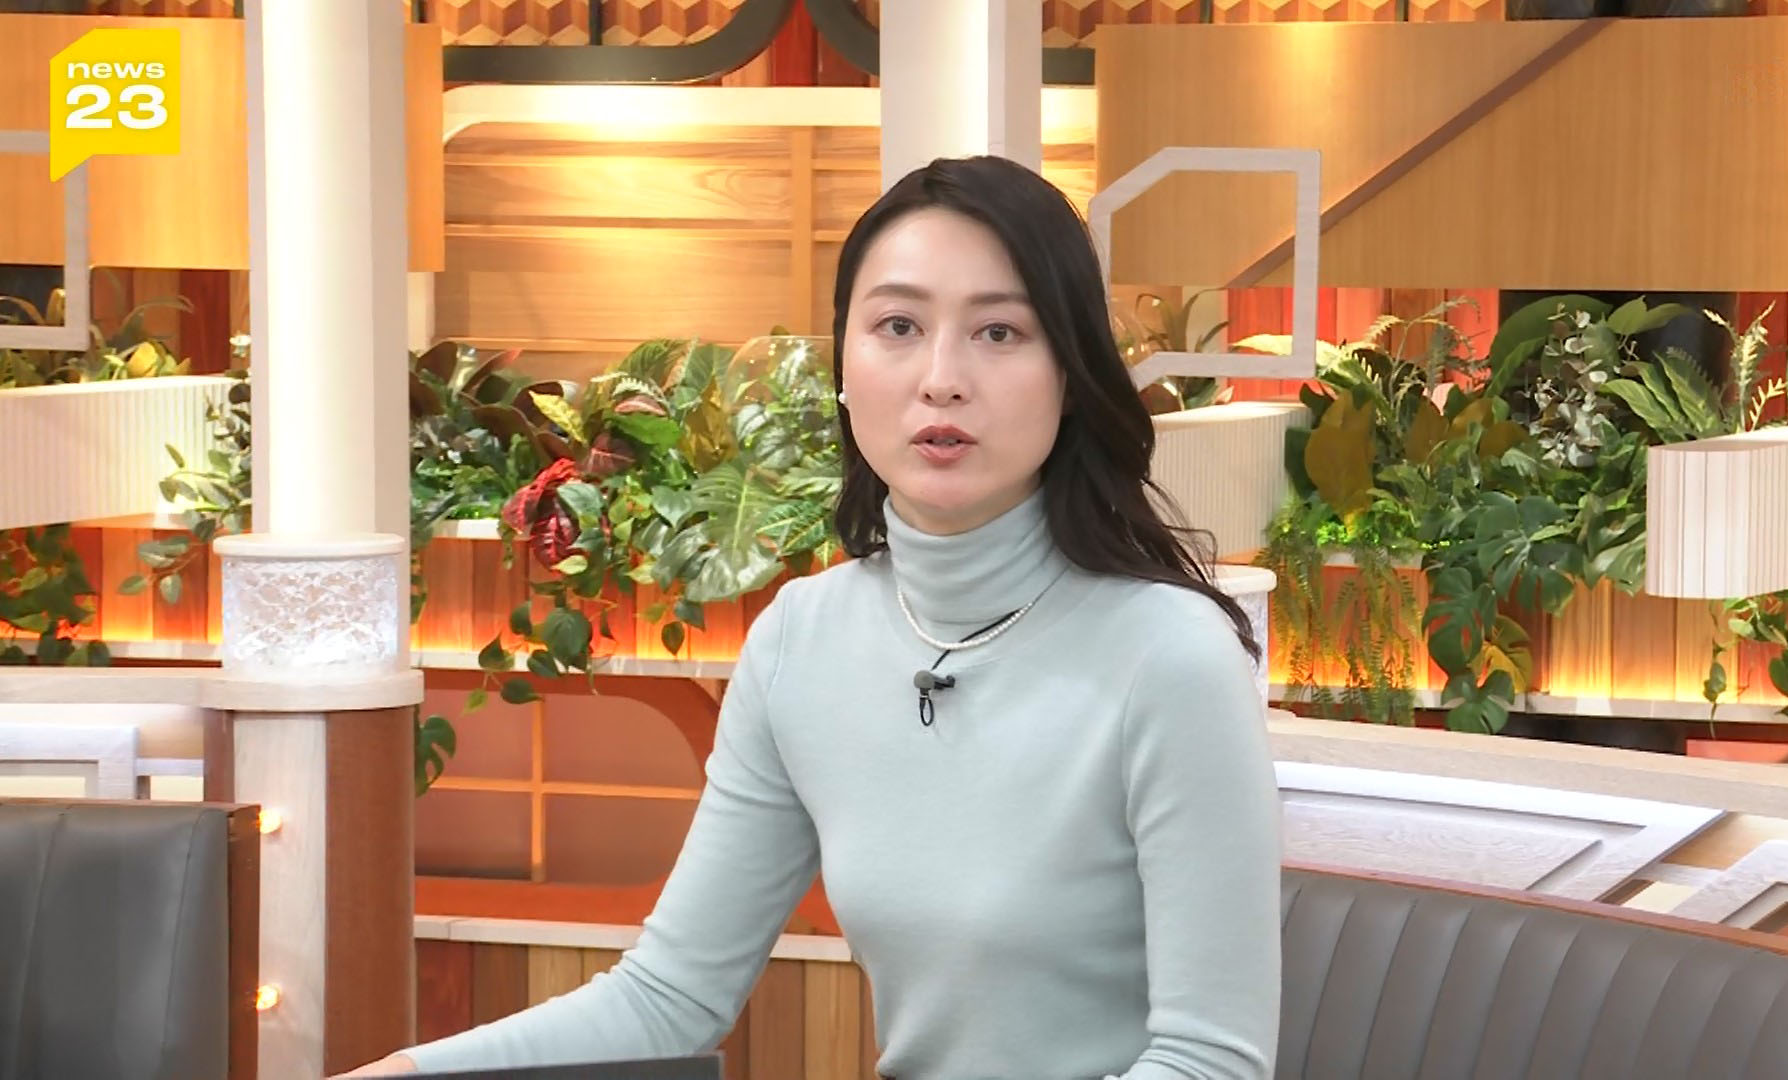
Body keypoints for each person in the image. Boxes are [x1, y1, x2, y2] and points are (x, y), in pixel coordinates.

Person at [341, 155, 1282, 1079]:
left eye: (999, 332)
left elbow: (1210, 1062)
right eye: (899, 326)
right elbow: (669, 996)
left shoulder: (1170, 655)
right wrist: (409, 1072)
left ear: (1069, 376)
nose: (942, 378)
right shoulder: (803, 639)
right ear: (843, 366)